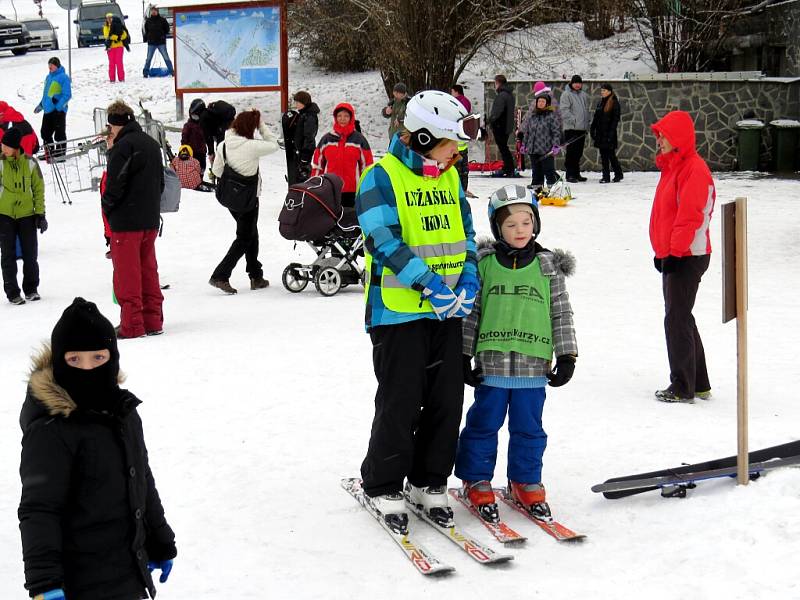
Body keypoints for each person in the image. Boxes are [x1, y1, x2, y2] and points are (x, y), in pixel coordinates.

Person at [356, 90, 479, 533]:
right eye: (451, 145)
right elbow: (383, 241)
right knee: (401, 399)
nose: (456, 156)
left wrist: (467, 278)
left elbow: (465, 231)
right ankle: (383, 482)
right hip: (398, 312)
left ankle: (430, 480)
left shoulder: (447, 177)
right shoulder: (381, 177)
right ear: (423, 136)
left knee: (447, 399)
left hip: (447, 311)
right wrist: (430, 286)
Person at [18, 297, 177, 599]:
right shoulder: (52, 429)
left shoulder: (124, 413)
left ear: (112, 359)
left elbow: (141, 478)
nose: (87, 368)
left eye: (98, 358)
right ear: (60, 361)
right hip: (79, 583)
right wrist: (44, 583)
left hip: (128, 573)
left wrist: (160, 540)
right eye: (75, 359)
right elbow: (40, 509)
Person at [455, 185, 577, 520]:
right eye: (510, 225)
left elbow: (560, 312)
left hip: (532, 366)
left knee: (529, 427)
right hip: (492, 365)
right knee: (483, 424)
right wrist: (464, 355)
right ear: (497, 229)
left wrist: (567, 356)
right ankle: (476, 478)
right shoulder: (485, 265)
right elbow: (472, 312)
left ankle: (525, 480)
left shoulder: (547, 266)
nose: (520, 230)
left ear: (535, 224)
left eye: (526, 222)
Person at [650, 110, 715, 403]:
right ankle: (698, 382)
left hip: (688, 254)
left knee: (676, 319)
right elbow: (667, 214)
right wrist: (662, 252)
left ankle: (683, 386)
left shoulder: (694, 169)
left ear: (678, 138)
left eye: (664, 135)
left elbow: (690, 217)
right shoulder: (673, 167)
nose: (659, 140)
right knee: (681, 317)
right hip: (677, 253)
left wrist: (674, 253)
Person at [101, 100, 164, 339]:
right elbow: (160, 182)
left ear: (116, 125)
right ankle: (153, 320)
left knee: (127, 275)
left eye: (110, 126)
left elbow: (115, 185)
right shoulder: (150, 144)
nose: (110, 131)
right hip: (149, 219)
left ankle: (132, 325)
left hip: (126, 222)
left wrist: (108, 206)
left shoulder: (122, 147)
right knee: (148, 271)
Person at [209, 109, 279, 294]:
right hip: (249, 199)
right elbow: (274, 145)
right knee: (245, 237)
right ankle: (220, 275)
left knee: (250, 234)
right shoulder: (251, 146)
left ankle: (256, 275)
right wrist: (262, 126)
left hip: (231, 199)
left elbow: (216, 172)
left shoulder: (223, 145)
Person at [0, 128, 46, 305]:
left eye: (6, 146)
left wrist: (40, 214)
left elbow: (38, 189)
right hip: (5, 215)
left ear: (15, 147)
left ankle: (31, 288)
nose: (3, 148)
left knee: (30, 254)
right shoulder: (1, 162)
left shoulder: (31, 163)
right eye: (2, 145)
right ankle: (12, 292)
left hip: (27, 214)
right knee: (7, 255)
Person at [311, 103, 373, 208]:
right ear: (335, 118)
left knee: (350, 220)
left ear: (351, 117)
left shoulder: (359, 140)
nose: (342, 119)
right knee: (331, 220)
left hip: (353, 190)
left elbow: (367, 166)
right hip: (331, 189)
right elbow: (318, 165)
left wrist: (366, 187)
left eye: (346, 116)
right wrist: (315, 186)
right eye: (339, 116)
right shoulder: (327, 139)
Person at [520, 91, 561, 190]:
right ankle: (537, 188)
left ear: (547, 103)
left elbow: (556, 132)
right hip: (533, 148)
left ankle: (553, 189)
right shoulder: (532, 116)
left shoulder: (551, 116)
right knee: (536, 170)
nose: (541, 103)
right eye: (539, 101)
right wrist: (524, 145)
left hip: (546, 149)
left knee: (548, 170)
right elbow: (527, 132)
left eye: (543, 101)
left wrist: (555, 145)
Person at [35, 57, 71, 162]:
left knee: (59, 133)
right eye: (49, 65)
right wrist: (41, 105)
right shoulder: (48, 77)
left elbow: (67, 95)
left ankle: (60, 155)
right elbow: (46, 94)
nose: (50, 67)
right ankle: (49, 153)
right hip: (48, 109)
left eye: (52, 65)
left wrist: (59, 107)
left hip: (58, 110)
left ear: (57, 65)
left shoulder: (63, 77)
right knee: (45, 132)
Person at [281, 90, 320, 185]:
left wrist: (305, 156)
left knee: (302, 178)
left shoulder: (309, 116)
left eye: (298, 102)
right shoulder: (303, 114)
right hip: (299, 151)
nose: (296, 104)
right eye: (295, 102)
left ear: (304, 103)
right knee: (297, 176)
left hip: (304, 152)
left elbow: (309, 136)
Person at [559, 75, 591, 183]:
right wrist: (574, 121)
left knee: (578, 153)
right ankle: (570, 174)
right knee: (571, 153)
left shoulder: (584, 95)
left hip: (581, 128)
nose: (577, 85)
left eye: (579, 83)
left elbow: (586, 111)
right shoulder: (566, 94)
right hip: (571, 128)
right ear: (571, 83)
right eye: (575, 83)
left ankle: (576, 173)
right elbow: (564, 110)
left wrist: (586, 124)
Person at [590, 83, 623, 183]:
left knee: (610, 155)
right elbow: (596, 117)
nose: (602, 92)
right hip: (601, 134)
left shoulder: (614, 102)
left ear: (609, 91)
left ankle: (610, 176)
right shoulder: (601, 103)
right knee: (604, 155)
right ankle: (613, 175)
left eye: (604, 90)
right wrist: (592, 129)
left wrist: (611, 134)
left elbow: (615, 120)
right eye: (601, 91)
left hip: (609, 134)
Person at [488, 74, 516, 178]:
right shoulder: (509, 95)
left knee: (503, 148)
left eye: (495, 83)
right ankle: (508, 167)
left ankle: (509, 168)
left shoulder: (502, 95)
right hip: (506, 125)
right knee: (504, 147)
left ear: (498, 83)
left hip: (500, 125)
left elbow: (497, 111)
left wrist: (490, 120)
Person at [450, 84, 475, 198]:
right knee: (464, 169)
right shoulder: (466, 101)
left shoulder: (456, 103)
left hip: (456, 141)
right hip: (463, 140)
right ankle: (463, 188)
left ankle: (458, 188)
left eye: (452, 92)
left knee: (456, 168)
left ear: (456, 91)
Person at [142, 6, 174, 77]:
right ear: (151, 12)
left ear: (157, 12)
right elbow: (146, 30)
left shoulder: (162, 20)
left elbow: (167, 29)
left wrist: (162, 35)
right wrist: (149, 37)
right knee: (148, 59)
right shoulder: (148, 21)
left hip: (161, 43)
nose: (153, 12)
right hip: (151, 43)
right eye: (152, 11)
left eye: (155, 11)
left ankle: (172, 71)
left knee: (166, 58)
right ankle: (145, 73)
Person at [181, 98, 208, 173]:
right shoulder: (188, 126)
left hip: (202, 152)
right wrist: (184, 149)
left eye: (196, 116)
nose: (194, 118)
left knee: (202, 167)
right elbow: (184, 137)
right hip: (191, 153)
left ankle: (200, 178)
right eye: (192, 116)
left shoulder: (204, 125)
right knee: (191, 170)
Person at [102, 14, 129, 83]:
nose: (109, 19)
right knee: (112, 63)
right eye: (108, 18)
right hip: (110, 48)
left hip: (119, 46)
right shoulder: (106, 27)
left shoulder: (119, 25)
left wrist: (117, 37)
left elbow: (124, 35)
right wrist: (117, 37)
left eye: (111, 18)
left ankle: (121, 78)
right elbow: (107, 36)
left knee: (119, 62)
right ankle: (112, 79)